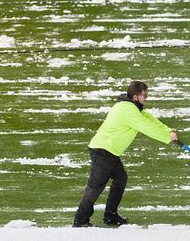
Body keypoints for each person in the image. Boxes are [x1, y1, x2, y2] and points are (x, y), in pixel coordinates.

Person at [73, 81, 178, 227]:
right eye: (144, 95)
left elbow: (150, 120)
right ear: (135, 97)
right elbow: (146, 127)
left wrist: (168, 130)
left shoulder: (132, 107)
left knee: (120, 178)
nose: (146, 98)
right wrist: (167, 138)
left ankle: (110, 216)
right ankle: (80, 220)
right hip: (103, 150)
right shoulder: (127, 110)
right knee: (95, 186)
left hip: (109, 151)